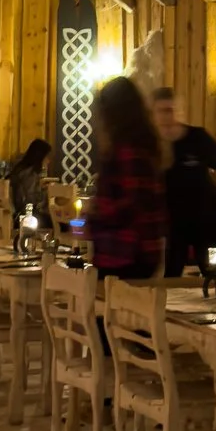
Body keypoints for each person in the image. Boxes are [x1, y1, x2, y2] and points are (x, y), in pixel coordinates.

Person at [152, 86, 216, 276]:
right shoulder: (151, 145)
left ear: (179, 111)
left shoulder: (197, 138)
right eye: (161, 111)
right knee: (169, 277)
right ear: (153, 113)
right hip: (173, 224)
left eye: (170, 110)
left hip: (208, 220)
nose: (166, 116)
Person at [87, 76, 165, 280]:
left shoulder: (128, 150)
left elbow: (135, 202)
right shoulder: (140, 147)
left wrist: (99, 213)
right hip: (133, 251)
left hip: (125, 252)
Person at [7, 137, 51, 222]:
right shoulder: (29, 173)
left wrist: (40, 187)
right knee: (61, 222)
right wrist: (43, 191)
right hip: (25, 217)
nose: (48, 161)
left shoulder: (21, 168)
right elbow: (29, 202)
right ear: (40, 157)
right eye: (47, 157)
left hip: (21, 214)